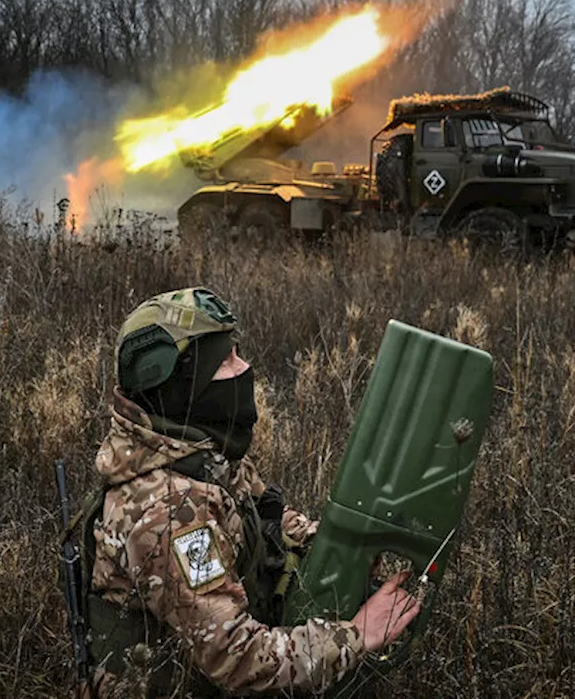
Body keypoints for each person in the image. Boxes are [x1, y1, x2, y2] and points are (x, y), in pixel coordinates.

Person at [81, 286, 419, 697]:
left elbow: (270, 518)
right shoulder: (168, 512)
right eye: (225, 361)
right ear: (182, 385)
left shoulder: (201, 454)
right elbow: (238, 658)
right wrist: (356, 635)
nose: (244, 368)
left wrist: (344, 550)